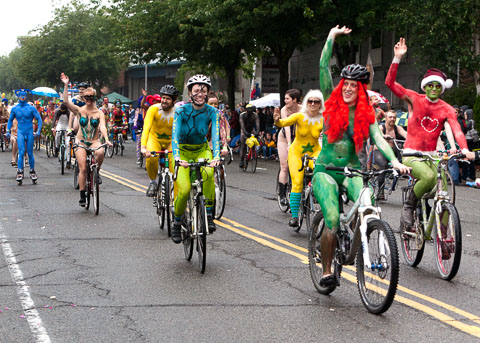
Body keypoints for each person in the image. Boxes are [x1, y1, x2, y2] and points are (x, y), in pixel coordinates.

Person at [312, 26, 409, 287]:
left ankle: (357, 240)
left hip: (353, 171)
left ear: (361, 90)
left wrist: (396, 161)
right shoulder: (332, 103)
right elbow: (323, 67)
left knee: (368, 203)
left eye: (353, 86)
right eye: (346, 84)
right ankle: (327, 270)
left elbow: (378, 139)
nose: (347, 89)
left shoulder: (366, 115)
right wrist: (330, 36)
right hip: (326, 170)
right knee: (332, 218)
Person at [385, 37, 471, 229]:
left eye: (437, 86)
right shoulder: (415, 99)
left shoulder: (447, 108)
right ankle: (409, 205)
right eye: (430, 85)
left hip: (433, 156)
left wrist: (464, 149)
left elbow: (456, 130)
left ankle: (446, 238)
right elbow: (390, 83)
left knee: (443, 188)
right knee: (429, 178)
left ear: (442, 88)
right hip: (411, 155)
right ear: (425, 86)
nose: (433, 88)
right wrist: (397, 58)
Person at [171, 74, 220, 243]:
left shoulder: (213, 111)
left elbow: (215, 136)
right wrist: (177, 157)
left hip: (202, 150)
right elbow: (175, 136)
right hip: (182, 152)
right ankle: (177, 221)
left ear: (208, 93)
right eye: (197, 90)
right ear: (190, 92)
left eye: (204, 90)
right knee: (184, 190)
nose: (200, 94)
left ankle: (208, 214)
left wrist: (217, 156)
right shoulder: (180, 111)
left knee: (208, 172)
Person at [275, 89, 324, 227]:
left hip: (314, 152)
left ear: (320, 104)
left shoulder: (323, 118)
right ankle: (295, 216)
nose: (313, 104)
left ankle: (321, 205)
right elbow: (282, 124)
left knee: (322, 175)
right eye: (310, 101)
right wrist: (276, 119)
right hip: (297, 152)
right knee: (296, 182)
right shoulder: (299, 116)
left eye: (316, 101)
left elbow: (333, 133)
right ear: (306, 102)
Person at [61, 73, 111, 206]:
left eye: (91, 97)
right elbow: (66, 102)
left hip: (94, 141)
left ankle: (97, 172)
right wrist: (66, 85)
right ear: (83, 98)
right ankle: (82, 194)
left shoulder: (99, 113)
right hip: (81, 142)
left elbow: (103, 127)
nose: (89, 99)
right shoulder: (79, 110)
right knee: (82, 168)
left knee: (100, 152)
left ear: (95, 98)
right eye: (86, 97)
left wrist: (106, 139)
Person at [141, 85, 179, 196]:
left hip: (171, 142)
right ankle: (153, 182)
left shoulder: (178, 111)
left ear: (174, 100)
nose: (164, 101)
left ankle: (175, 195)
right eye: (163, 97)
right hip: (155, 139)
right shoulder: (153, 109)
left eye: (168, 99)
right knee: (152, 158)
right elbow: (146, 128)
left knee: (175, 165)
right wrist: (143, 147)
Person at [6, 89, 43, 183]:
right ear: (18, 97)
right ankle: (20, 171)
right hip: (21, 132)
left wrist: (38, 130)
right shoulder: (15, 109)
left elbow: (39, 119)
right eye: (21, 96)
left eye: (24, 96)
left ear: (26, 96)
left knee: (30, 153)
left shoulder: (31, 108)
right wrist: (7, 131)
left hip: (29, 131)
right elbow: (10, 120)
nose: (23, 97)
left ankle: (32, 171)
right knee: (21, 152)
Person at [373, 110, 407, 200]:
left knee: (400, 146)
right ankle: (380, 192)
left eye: (394, 117)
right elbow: (379, 133)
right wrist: (384, 136)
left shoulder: (397, 128)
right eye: (390, 117)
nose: (392, 119)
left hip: (393, 152)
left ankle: (400, 169)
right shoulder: (381, 127)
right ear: (386, 118)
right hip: (380, 152)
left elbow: (406, 135)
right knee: (383, 166)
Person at [277, 89, 302, 206]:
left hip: (299, 138)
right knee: (285, 166)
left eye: (287, 98)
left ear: (295, 100)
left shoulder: (303, 110)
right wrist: (289, 143)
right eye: (285, 98)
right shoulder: (284, 110)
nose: (285, 101)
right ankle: (282, 195)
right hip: (284, 138)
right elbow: (286, 128)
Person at [239, 104, 260, 168]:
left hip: (251, 129)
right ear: (246, 110)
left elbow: (257, 123)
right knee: (243, 145)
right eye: (249, 110)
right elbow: (242, 125)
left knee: (254, 139)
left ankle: (253, 153)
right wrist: (245, 133)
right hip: (244, 129)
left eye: (251, 109)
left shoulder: (255, 115)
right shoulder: (242, 115)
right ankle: (242, 160)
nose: (250, 111)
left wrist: (257, 132)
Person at [52, 103, 72, 168]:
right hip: (60, 125)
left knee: (67, 144)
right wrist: (53, 127)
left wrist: (70, 129)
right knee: (57, 135)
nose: (63, 111)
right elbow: (54, 119)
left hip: (67, 126)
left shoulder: (68, 113)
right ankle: (57, 148)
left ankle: (68, 161)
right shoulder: (57, 112)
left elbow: (70, 121)